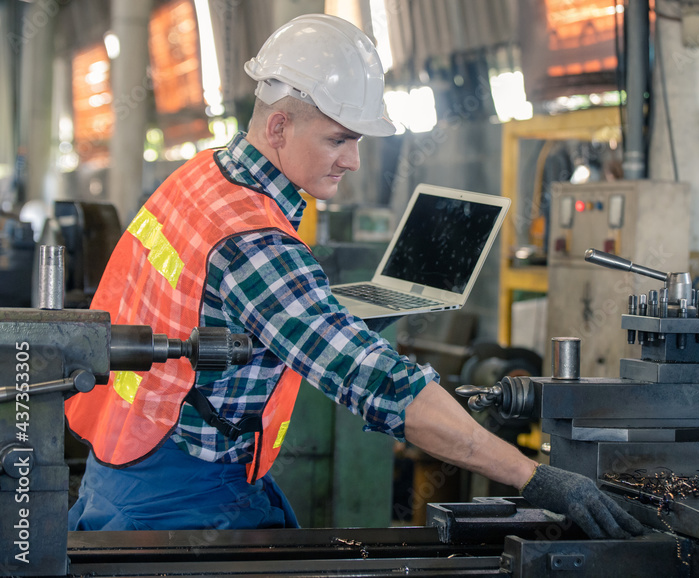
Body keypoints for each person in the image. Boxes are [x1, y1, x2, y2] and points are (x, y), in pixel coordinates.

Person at [65, 14, 642, 540]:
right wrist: (534, 478)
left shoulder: (201, 176)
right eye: (338, 139)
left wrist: (322, 315)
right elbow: (381, 386)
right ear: (280, 127)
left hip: (128, 457)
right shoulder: (255, 244)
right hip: (176, 499)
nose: (353, 160)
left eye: (356, 140)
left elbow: (208, 295)